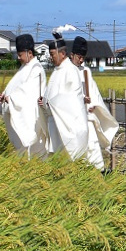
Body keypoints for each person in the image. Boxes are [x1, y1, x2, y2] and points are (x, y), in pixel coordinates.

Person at [39, 32, 89, 161]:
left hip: (68, 125)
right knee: (56, 159)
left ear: (62, 54)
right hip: (55, 123)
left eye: (52, 54)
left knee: (67, 160)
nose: (51, 58)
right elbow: (50, 94)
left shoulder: (70, 71)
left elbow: (70, 98)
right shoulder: (57, 70)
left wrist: (50, 102)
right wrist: (44, 100)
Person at [71, 36, 119, 170]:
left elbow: (94, 93)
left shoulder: (86, 71)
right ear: (71, 55)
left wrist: (93, 105)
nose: (80, 60)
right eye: (78, 57)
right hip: (71, 118)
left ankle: (96, 172)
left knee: (91, 144)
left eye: (83, 58)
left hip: (86, 116)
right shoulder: (66, 71)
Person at [0, 34, 47, 157]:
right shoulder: (24, 68)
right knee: (22, 151)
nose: (18, 58)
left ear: (29, 53)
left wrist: (11, 98)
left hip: (32, 118)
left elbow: (28, 92)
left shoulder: (36, 69)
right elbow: (14, 87)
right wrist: (3, 95)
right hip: (21, 113)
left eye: (20, 55)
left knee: (34, 150)